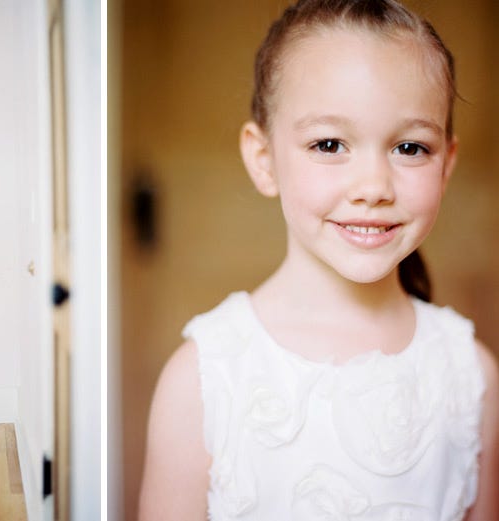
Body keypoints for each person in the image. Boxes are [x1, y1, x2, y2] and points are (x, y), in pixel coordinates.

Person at [138, 0, 499, 519]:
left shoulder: (473, 376)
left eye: (411, 148)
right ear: (264, 161)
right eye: (329, 143)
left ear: (447, 165)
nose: (374, 187)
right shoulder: (201, 379)